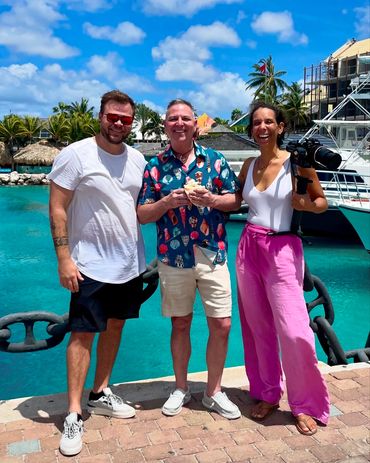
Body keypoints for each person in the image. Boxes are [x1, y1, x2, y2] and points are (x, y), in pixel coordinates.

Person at [48, 90, 147, 456]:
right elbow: (58, 209)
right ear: (100, 116)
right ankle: (73, 412)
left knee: (115, 327)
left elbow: (136, 207)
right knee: (82, 335)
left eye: (125, 119)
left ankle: (100, 392)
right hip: (88, 264)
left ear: (131, 122)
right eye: (112, 117)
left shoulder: (137, 159)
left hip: (129, 263)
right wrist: (63, 258)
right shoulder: (75, 154)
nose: (118, 124)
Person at [137, 99, 241, 420]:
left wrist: (211, 198)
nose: (179, 123)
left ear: (195, 124)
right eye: (173, 119)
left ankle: (213, 392)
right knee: (180, 324)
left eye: (185, 118)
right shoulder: (154, 166)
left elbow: (235, 200)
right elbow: (142, 214)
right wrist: (167, 201)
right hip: (174, 256)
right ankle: (181, 388)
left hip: (213, 252)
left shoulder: (215, 160)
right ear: (165, 125)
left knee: (221, 324)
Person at [236, 101, 330, 435]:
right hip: (249, 246)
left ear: (280, 127)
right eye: (256, 123)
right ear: (251, 129)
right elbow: (236, 202)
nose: (261, 127)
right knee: (257, 327)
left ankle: (305, 403)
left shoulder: (296, 164)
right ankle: (267, 393)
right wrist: (204, 198)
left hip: (282, 248)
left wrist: (303, 203)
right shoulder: (248, 165)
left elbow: (321, 203)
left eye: (268, 122)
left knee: (293, 330)